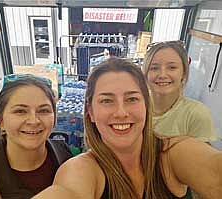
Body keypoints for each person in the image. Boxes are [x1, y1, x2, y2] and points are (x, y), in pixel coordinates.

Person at [33, 57, 222, 199]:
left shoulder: (174, 153)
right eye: (107, 101)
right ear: (90, 112)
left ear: (146, 106)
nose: (121, 112)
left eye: (132, 99)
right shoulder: (82, 170)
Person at [0, 76, 72, 199]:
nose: (34, 121)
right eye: (20, 111)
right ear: (1, 121)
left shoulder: (64, 153)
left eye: (43, 110)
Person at [142, 41, 217, 143]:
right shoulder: (136, 107)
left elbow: (203, 157)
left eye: (172, 67)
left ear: (184, 73)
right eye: (154, 68)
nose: (162, 75)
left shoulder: (197, 114)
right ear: (145, 73)